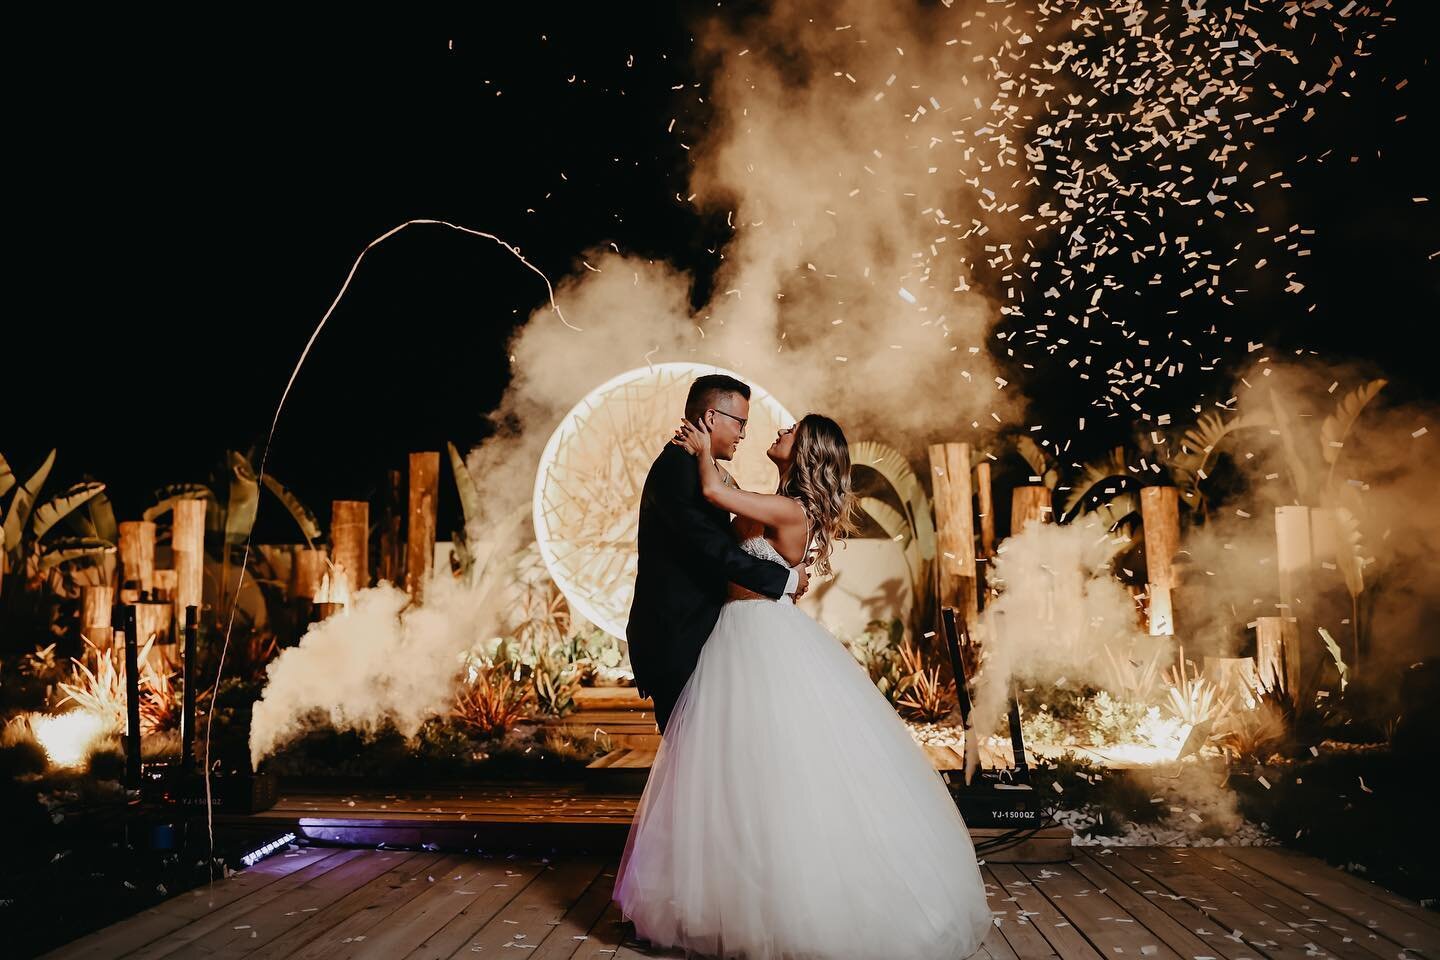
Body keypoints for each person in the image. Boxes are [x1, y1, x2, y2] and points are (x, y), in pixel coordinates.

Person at [614, 408, 993, 960]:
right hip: (737, 633)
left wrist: (701, 450)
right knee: (740, 772)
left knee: (771, 767)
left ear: (807, 451)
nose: (778, 431)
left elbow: (716, 497)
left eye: (790, 431)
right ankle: (743, 894)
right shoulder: (778, 501)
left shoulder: (789, 507)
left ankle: (782, 903)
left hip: (757, 637)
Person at [626, 374, 810, 736]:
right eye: (740, 423)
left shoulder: (694, 465)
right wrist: (786, 579)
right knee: (691, 757)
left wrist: (705, 455)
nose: (743, 434)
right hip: (679, 637)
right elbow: (713, 550)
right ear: (711, 419)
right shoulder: (678, 470)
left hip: (706, 636)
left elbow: (723, 504)